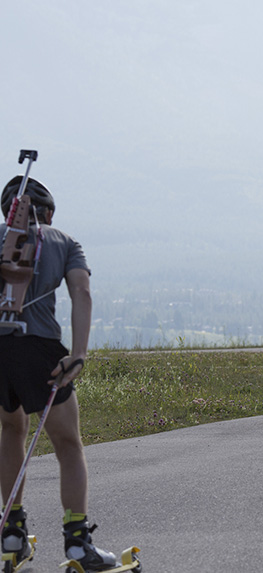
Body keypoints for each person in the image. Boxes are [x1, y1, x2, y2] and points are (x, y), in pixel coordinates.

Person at [0, 175, 117, 570]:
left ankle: (13, 533)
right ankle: (77, 542)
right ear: (47, 211)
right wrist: (79, 353)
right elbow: (81, 292)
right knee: (68, 444)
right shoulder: (65, 241)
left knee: (10, 429)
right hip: (40, 349)